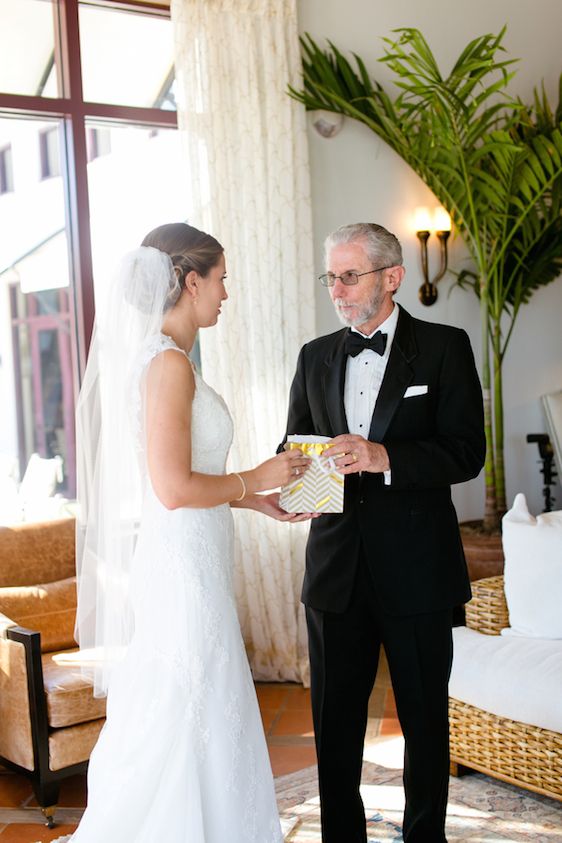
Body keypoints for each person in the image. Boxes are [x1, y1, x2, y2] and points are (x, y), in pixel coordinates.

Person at [69, 223, 312, 843]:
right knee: (187, 701)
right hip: (182, 569)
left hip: (193, 555)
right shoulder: (169, 365)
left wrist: (256, 499)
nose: (227, 293)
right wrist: (250, 476)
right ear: (191, 281)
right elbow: (173, 489)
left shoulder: (170, 361)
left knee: (201, 700)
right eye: (222, 279)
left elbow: (191, 482)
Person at [280, 222, 485, 843]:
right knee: (334, 719)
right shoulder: (315, 355)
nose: (337, 290)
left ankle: (427, 835)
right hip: (335, 568)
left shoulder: (446, 347)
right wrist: (298, 488)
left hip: (419, 569)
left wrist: (383, 456)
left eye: (349, 276)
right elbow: (295, 444)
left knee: (425, 720)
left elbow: (465, 453)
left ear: (391, 277)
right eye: (331, 277)